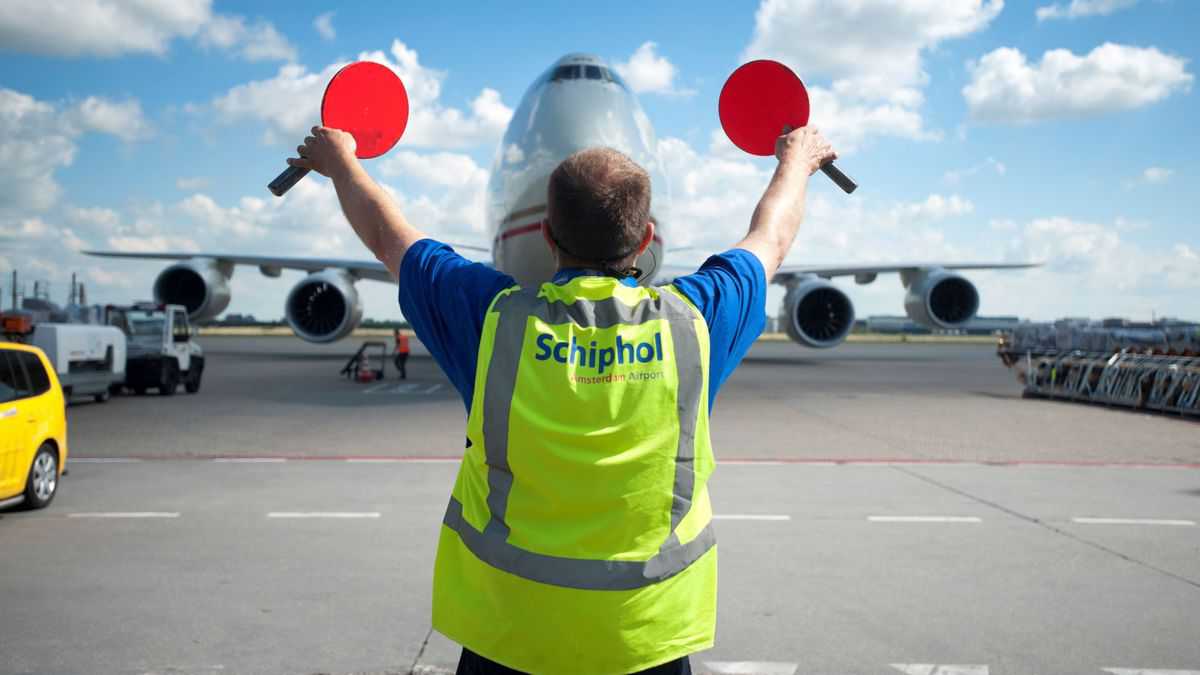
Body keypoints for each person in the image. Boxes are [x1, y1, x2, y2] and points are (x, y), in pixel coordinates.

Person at [289, 123, 835, 675]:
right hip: (645, 639)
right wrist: (796, 161)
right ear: (645, 239)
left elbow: (389, 236)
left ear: (547, 235)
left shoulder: (492, 321)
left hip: (507, 635)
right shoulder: (692, 321)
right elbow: (771, 239)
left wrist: (340, 161)